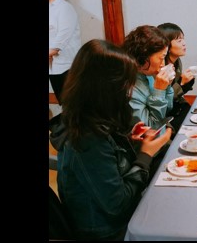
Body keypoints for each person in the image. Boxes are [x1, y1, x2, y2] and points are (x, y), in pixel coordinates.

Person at [49, 39, 172, 240]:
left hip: (113, 217)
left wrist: (130, 139)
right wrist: (145, 155)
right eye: (126, 84)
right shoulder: (86, 137)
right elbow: (118, 206)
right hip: (107, 231)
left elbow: (111, 158)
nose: (130, 91)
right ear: (106, 88)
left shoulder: (89, 114)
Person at [122, 25, 174, 130]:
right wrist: (159, 91)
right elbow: (150, 130)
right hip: (150, 143)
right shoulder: (129, 89)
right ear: (144, 57)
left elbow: (167, 110)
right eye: (161, 58)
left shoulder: (149, 74)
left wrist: (167, 87)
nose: (163, 64)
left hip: (162, 137)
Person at [49, 0, 81, 105]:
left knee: (74, 107)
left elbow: (57, 45)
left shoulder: (64, 8)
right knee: (65, 107)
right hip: (54, 69)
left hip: (68, 69)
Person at [157, 23, 195, 135]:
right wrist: (182, 83)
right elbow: (164, 100)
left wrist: (185, 83)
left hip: (175, 107)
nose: (184, 43)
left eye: (183, 39)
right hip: (164, 115)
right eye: (179, 41)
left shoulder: (177, 61)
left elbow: (178, 95)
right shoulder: (160, 67)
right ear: (166, 45)